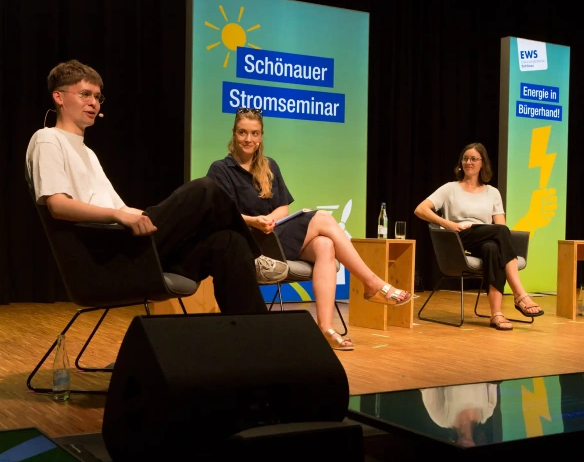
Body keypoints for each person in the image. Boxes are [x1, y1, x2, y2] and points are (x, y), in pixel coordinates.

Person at [25, 59, 284, 314]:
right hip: (105, 255)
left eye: (97, 96)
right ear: (59, 97)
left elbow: (122, 208)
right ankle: (257, 256)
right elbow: (58, 205)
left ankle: (256, 341)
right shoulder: (47, 139)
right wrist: (119, 215)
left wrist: (144, 215)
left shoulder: (87, 152)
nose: (93, 102)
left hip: (130, 245)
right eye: (85, 94)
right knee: (204, 189)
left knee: (230, 242)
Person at [206, 108, 412, 351]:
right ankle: (371, 283)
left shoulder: (269, 166)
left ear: (261, 136)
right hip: (247, 242)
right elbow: (223, 214)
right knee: (323, 218)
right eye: (243, 133)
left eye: (254, 133)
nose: (248, 139)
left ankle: (326, 328)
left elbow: (283, 208)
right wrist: (255, 221)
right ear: (234, 134)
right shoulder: (221, 169)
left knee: (325, 245)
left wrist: (269, 220)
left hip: (273, 233)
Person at [414, 142, 544, 330]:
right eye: (465, 158)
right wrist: (448, 224)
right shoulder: (450, 188)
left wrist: (499, 241)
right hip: (459, 237)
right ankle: (519, 293)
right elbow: (420, 209)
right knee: (499, 233)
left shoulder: (492, 192)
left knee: (492, 248)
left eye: (474, 159)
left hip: (484, 237)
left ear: (482, 163)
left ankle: (496, 315)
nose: (469, 162)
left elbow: (500, 225)